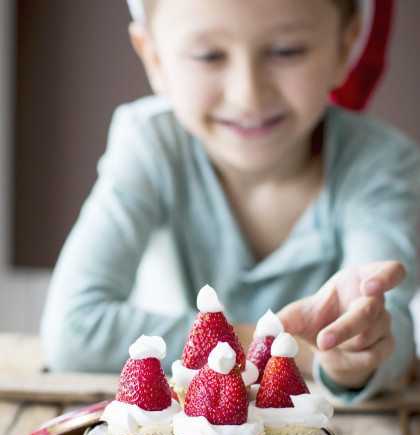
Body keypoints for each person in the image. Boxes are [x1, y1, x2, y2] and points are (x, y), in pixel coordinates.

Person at [40, 0, 420, 403]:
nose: (248, 94)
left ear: (345, 48)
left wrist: (350, 355)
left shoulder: (382, 164)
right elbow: (73, 330)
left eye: (286, 51)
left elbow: (392, 338)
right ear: (153, 57)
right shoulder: (150, 143)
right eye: (209, 56)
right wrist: (277, 347)